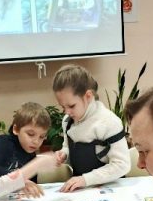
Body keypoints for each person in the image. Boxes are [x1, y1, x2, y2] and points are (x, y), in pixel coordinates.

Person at [52, 64, 130, 192]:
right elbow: (67, 146)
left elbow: (122, 165)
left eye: (71, 106)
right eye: (62, 107)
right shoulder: (67, 121)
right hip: (81, 189)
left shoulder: (109, 122)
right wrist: (64, 154)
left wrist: (85, 179)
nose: (67, 112)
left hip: (111, 189)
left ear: (88, 96)